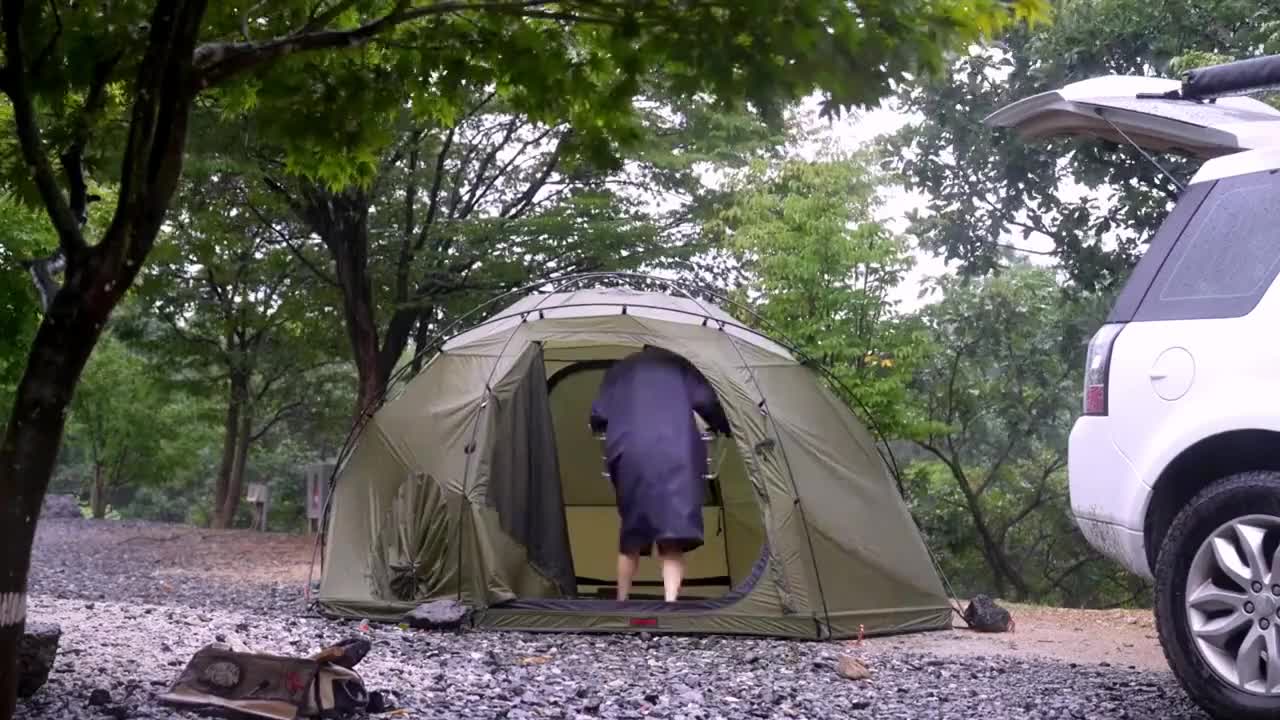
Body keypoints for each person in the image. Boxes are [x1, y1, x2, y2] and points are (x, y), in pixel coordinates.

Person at [589, 345, 732, 602]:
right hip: (675, 452)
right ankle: (670, 602)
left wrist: (602, 424)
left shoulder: (621, 368)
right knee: (673, 535)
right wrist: (726, 426)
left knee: (632, 533)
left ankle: (621, 601)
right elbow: (706, 401)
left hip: (628, 451)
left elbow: (599, 413)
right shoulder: (681, 365)